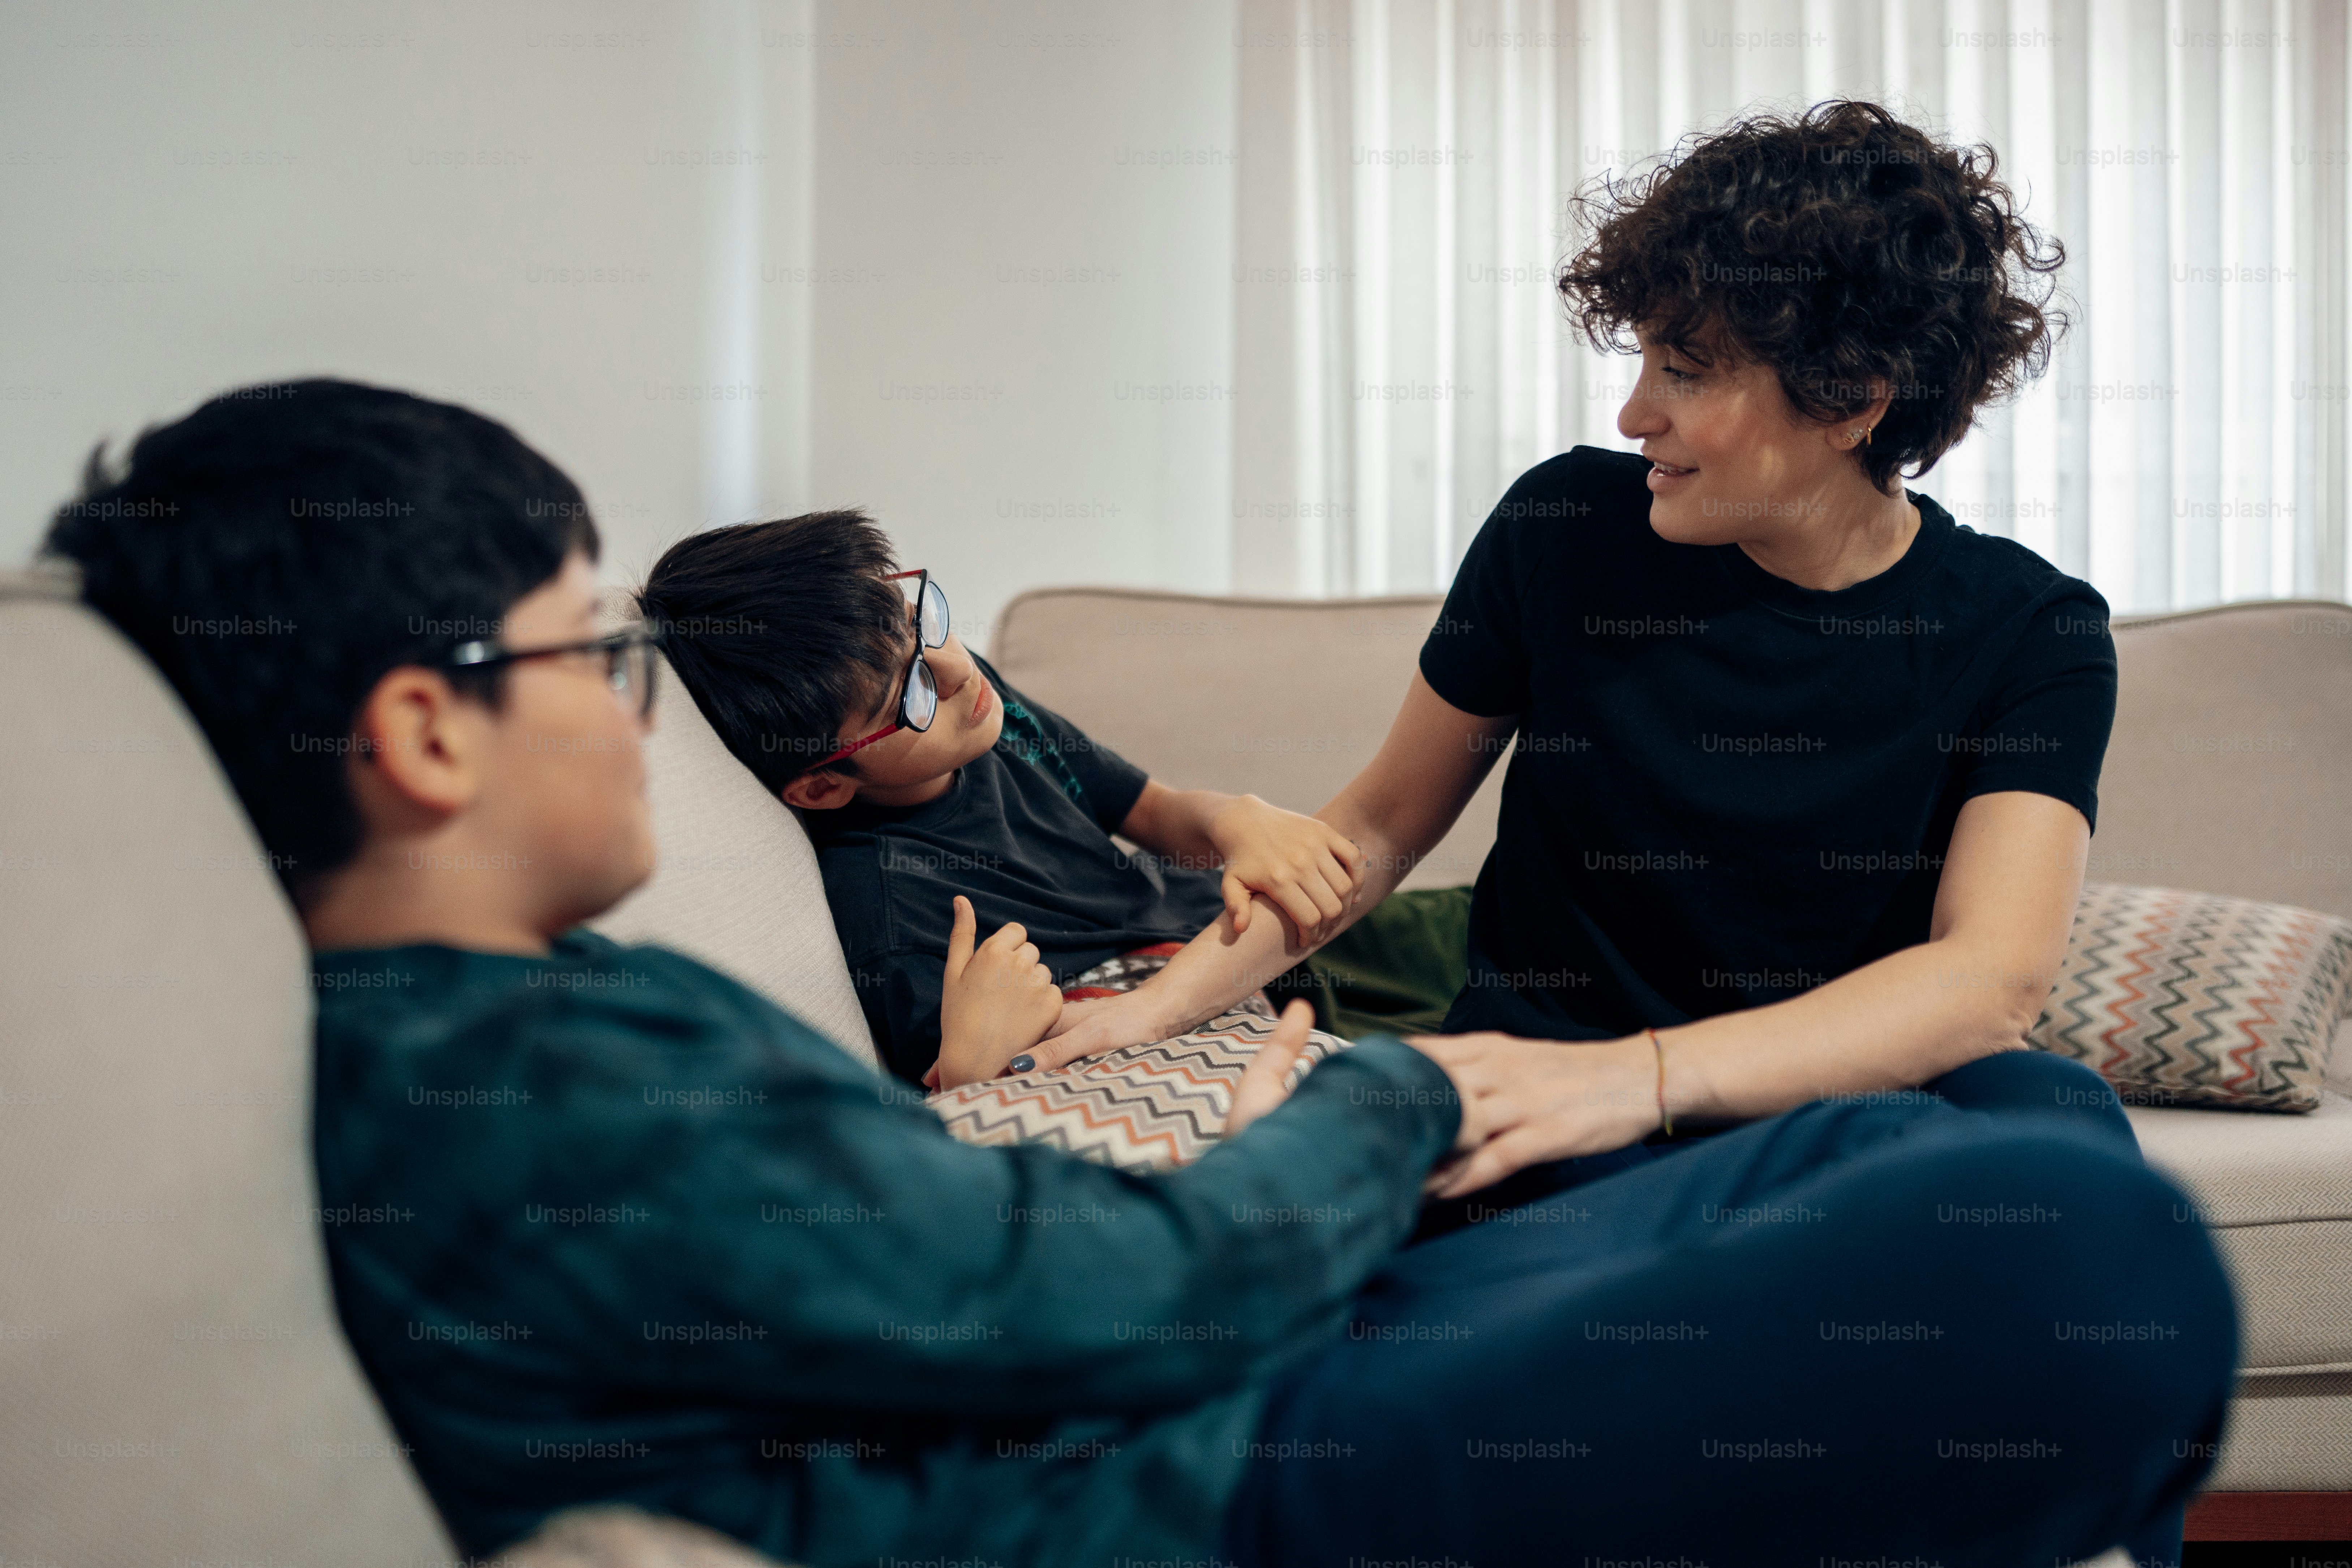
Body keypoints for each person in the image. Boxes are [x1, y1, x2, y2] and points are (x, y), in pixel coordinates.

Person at [42, 109, 2231, 1567]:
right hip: (1173, 1456)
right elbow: (1068, 1288)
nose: (650, 722)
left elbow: (1988, 968)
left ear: (1849, 401)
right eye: (592, 653)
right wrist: (1363, 1078)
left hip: (1210, 1363)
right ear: (425, 736)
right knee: (2077, 1255)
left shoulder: (552, 1022)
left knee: (1996, 1133)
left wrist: (1179, 1076)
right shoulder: (512, 1075)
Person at [636, 512, 1366, 1086]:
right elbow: (969, 1078)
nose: (954, 671)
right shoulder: (891, 912)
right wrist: (968, 1066)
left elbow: (1151, 810)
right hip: (1199, 976)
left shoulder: (978, 704)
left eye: (920, 622)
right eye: (910, 693)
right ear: (823, 785)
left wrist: (1239, 817)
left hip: (1249, 926)